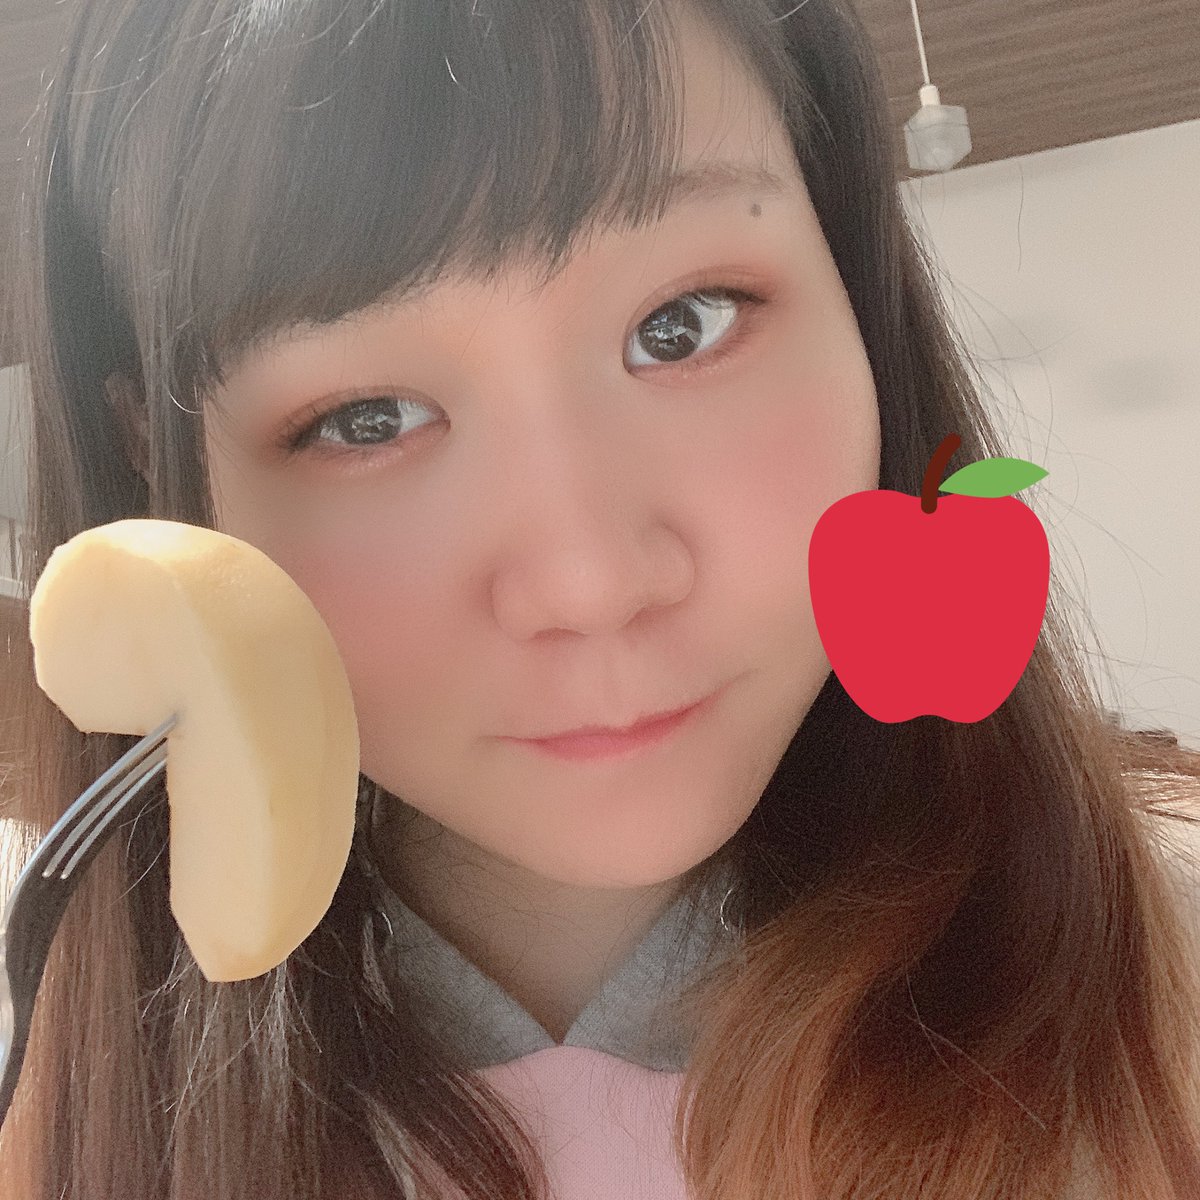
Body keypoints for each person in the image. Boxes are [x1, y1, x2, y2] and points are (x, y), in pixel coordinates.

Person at [1, 0, 1199, 1196]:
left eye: (682, 326)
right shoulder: (48, 1081)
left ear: (854, 292)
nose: (590, 582)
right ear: (163, 471)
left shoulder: (1165, 994)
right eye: (366, 420)